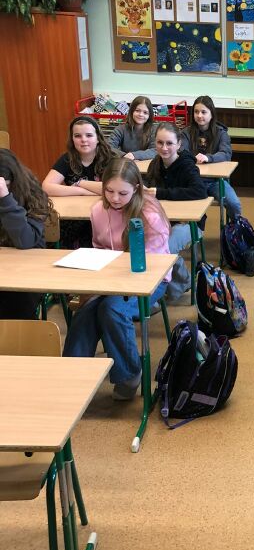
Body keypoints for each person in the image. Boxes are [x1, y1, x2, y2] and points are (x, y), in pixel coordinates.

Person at [62, 159, 172, 400]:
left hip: (150, 281)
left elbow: (154, 266)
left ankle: (129, 375)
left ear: (136, 189)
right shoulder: (98, 211)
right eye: (109, 191)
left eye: (123, 193)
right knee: (86, 312)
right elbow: (99, 247)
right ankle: (71, 376)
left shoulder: (149, 215)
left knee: (112, 309)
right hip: (109, 280)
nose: (115, 198)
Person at [145, 121, 208, 303]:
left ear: (179, 144)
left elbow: (200, 191)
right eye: (160, 143)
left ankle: (168, 286)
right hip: (162, 221)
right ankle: (182, 280)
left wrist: (161, 193)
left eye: (169, 143)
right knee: (146, 245)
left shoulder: (186, 165)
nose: (164, 148)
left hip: (189, 223)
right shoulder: (155, 164)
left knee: (163, 247)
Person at [42, 116, 115, 248]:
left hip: (105, 214)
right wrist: (82, 191)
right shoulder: (67, 159)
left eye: (89, 135)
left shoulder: (110, 159)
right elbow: (46, 187)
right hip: (74, 214)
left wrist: (81, 183)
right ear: (72, 139)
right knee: (56, 237)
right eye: (77, 136)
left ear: (98, 138)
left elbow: (114, 188)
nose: (83, 140)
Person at [0, 150, 52, 319]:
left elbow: (25, 240)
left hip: (28, 270)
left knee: (14, 303)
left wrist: (5, 199)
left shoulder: (32, 194)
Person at [180, 95, 241, 219]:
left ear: (211, 114)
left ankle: (234, 227)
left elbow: (226, 153)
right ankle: (196, 228)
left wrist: (209, 158)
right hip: (192, 180)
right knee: (191, 209)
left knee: (234, 204)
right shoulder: (186, 133)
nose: (199, 115)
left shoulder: (221, 133)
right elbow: (181, 152)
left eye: (203, 112)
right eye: (196, 112)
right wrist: (193, 158)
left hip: (215, 181)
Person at [108, 95, 158, 160]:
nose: (141, 114)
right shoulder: (120, 129)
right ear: (131, 111)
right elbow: (108, 147)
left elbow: (155, 150)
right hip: (126, 163)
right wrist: (125, 156)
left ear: (149, 115)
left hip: (146, 165)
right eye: (137, 110)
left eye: (145, 112)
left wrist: (134, 155)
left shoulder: (154, 130)